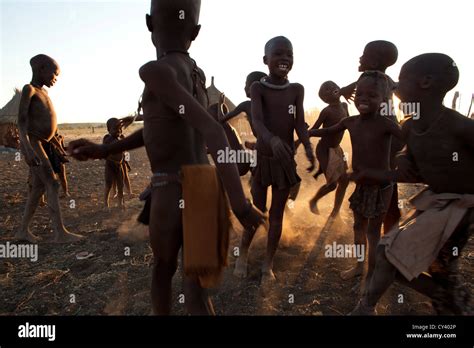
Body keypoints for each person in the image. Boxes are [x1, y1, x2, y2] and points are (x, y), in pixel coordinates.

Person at [68, 0, 264, 315]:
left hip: (170, 187)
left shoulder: (154, 70)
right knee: (197, 292)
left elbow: (212, 131)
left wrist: (241, 204)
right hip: (204, 189)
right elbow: (160, 129)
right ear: (196, 31)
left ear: (148, 23)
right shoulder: (196, 77)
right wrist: (106, 149)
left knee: (162, 270)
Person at [350, 53, 474, 315]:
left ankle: (446, 298)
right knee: (404, 260)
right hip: (435, 203)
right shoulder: (409, 128)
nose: (395, 84)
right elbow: (411, 171)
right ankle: (447, 298)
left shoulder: (459, 126)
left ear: (425, 82)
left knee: (391, 255)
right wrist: (399, 157)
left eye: (402, 78)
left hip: (461, 207)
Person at [233, 36, 315, 284]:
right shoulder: (258, 88)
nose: (285, 59)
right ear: (265, 60)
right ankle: (243, 254)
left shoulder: (296, 90)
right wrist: (272, 140)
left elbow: (299, 123)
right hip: (264, 160)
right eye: (278, 54)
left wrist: (308, 146)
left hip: (284, 162)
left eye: (289, 54)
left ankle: (268, 264)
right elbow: (257, 120)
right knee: (258, 211)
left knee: (277, 215)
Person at [310, 71, 402, 282]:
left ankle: (371, 274)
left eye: (372, 95)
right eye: (359, 94)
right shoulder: (351, 121)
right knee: (358, 226)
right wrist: (308, 133)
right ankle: (360, 266)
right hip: (361, 185)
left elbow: (408, 141)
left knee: (373, 232)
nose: (363, 99)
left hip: (381, 186)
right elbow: (327, 131)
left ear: (384, 100)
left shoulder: (386, 124)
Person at [17, 54, 81, 243]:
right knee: (52, 183)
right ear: (42, 69)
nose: (55, 78)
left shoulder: (44, 93)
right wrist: (27, 150)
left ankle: (22, 231)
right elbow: (21, 122)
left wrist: (56, 145)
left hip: (44, 142)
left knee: (38, 188)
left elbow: (48, 126)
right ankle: (60, 233)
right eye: (54, 74)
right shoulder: (29, 89)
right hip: (34, 142)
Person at [340, 40, 403, 235]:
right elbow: (402, 90)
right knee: (385, 185)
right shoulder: (382, 80)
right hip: (388, 137)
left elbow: (340, 91)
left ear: (374, 62)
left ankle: (385, 232)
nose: (360, 58)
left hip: (384, 138)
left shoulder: (373, 80)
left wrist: (346, 92)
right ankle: (386, 229)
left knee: (382, 184)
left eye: (364, 55)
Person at [308, 81, 349, 218]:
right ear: (324, 99)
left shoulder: (344, 106)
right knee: (332, 185)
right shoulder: (326, 111)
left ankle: (335, 212)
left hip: (337, 149)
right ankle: (313, 200)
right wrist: (302, 135)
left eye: (333, 86)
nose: (332, 89)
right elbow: (313, 130)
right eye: (327, 90)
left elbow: (350, 123)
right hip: (324, 150)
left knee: (344, 181)